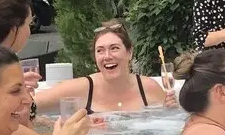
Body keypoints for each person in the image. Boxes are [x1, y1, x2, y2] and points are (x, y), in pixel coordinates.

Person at [34, 20, 175, 113]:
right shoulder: (80, 89)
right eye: (100, 51)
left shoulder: (149, 88)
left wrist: (172, 109)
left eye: (114, 48)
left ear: (130, 52)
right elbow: (28, 107)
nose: (107, 56)